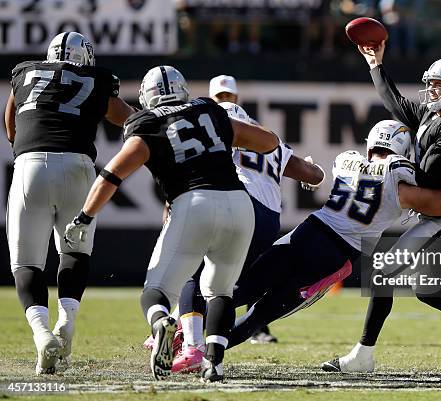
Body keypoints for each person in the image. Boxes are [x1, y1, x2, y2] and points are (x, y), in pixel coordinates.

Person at [63, 66, 280, 382]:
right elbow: (267, 141)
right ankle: (214, 363)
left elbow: (111, 175)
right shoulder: (209, 111)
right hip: (239, 204)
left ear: (148, 97)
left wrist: (85, 216)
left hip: (193, 203)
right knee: (220, 291)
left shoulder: (147, 123)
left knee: (156, 291)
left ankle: (162, 323)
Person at [322, 43, 441, 374]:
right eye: (431, 83)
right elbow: (394, 101)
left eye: (438, 84)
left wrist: (389, 165)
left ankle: (362, 356)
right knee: (427, 290)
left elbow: (429, 174)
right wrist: (375, 64)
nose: (431, 89)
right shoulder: (430, 115)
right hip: (433, 215)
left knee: (382, 275)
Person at [222, 119, 441, 350]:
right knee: (260, 315)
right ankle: (209, 355)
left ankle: (190, 331)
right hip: (335, 256)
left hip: (306, 234)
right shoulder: (401, 182)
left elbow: (354, 176)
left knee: (240, 289)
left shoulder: (346, 161)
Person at [4, 31, 134, 375]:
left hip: (30, 165)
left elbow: (11, 124)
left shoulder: (25, 72)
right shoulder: (97, 77)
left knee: (26, 261)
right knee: (74, 251)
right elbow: (126, 118)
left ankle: (41, 333)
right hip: (78, 167)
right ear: (87, 57)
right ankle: (67, 320)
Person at [171, 102, 325, 373]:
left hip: (237, 206)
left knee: (192, 271)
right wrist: (309, 169)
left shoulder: (214, 133)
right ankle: (204, 345)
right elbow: (315, 175)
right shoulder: (267, 139)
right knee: (226, 284)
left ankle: (189, 341)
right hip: (267, 221)